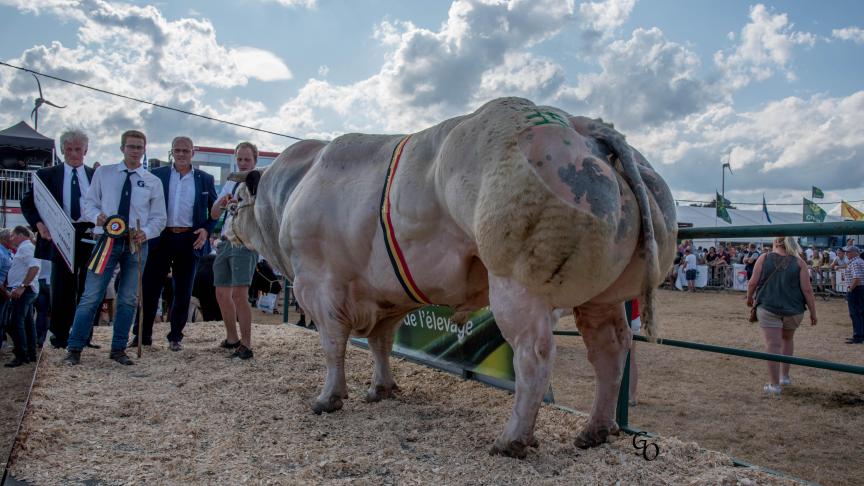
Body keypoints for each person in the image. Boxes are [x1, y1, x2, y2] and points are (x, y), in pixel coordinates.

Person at [63, 130, 166, 366]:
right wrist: (96, 217)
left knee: (129, 298)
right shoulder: (104, 173)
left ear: (145, 150)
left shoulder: (152, 182)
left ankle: (118, 348)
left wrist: (147, 232)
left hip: (136, 243)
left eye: (139, 147)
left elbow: (159, 218)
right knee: (91, 296)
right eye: (131, 147)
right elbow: (88, 202)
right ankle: (74, 348)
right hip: (106, 240)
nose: (135, 151)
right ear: (122, 148)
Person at [134, 136, 217, 351]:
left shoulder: (204, 179)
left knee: (183, 290)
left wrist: (207, 229)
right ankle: (142, 336)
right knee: (150, 288)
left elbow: (215, 211)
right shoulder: (157, 176)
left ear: (193, 153)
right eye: (177, 151)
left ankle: (175, 337)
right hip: (160, 238)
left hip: (189, 239)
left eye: (185, 151)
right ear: (172, 152)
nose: (181, 154)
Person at [20, 129, 99, 350]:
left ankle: (85, 335)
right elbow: (28, 202)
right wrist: (39, 224)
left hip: (89, 234)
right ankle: (60, 336)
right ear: (63, 150)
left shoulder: (96, 176)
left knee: (89, 288)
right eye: (69, 149)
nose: (74, 154)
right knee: (62, 288)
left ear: (86, 150)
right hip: (58, 234)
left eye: (78, 149)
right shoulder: (46, 175)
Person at [746, 236, 817, 396]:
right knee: (787, 340)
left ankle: (774, 384)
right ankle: (784, 376)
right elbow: (807, 290)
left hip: (768, 307)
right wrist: (813, 312)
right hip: (794, 310)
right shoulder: (800, 263)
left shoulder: (764, 258)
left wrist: (750, 298)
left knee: (772, 345)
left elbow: (752, 282)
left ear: (776, 242)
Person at [210, 142, 258, 360]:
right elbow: (213, 215)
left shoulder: (258, 182)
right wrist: (222, 202)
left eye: (247, 159)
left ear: (254, 161)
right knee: (221, 293)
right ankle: (232, 338)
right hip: (224, 241)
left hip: (243, 242)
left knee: (240, 294)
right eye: (240, 159)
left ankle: (246, 344)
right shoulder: (230, 183)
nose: (243, 163)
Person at [3, 226, 41, 367]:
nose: (11, 239)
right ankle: (30, 353)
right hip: (27, 290)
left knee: (16, 322)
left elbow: (34, 267)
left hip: (25, 291)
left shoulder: (26, 248)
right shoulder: (26, 247)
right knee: (27, 323)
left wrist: (22, 286)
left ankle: (21, 355)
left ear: (20, 235)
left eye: (12, 236)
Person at [842, 246, 864, 344]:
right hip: (860, 289)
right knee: (860, 312)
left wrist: (850, 290)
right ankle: (860, 335)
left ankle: (858, 336)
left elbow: (857, 278)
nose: (846, 254)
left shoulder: (855, 263)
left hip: (856, 289)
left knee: (854, 313)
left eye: (848, 252)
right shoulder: (860, 261)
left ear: (855, 252)